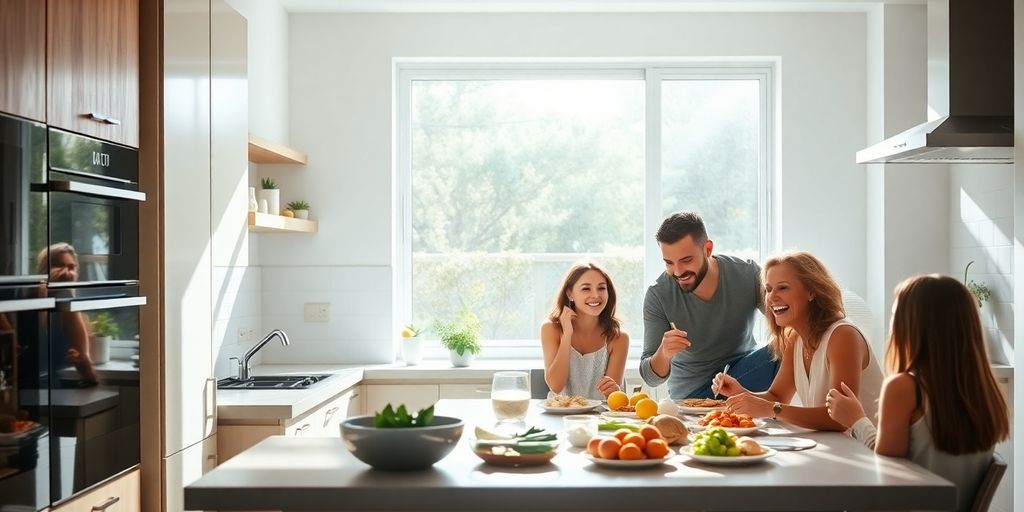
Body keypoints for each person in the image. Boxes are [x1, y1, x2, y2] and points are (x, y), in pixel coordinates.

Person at [826, 275, 1009, 512]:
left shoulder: (904, 388)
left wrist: (857, 419)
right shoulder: (986, 391)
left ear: (910, 325)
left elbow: (887, 471)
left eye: (894, 315)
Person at [711, 251, 883, 430]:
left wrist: (771, 409)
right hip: (836, 446)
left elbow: (840, 418)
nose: (772, 297)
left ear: (811, 291)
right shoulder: (795, 339)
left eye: (783, 287)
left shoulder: (843, 336)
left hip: (868, 450)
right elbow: (777, 397)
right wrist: (741, 393)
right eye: (768, 289)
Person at [640, 211, 779, 399]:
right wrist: (663, 353)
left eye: (686, 260)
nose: (678, 271)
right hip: (694, 395)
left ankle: (784, 413)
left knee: (790, 342)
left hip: (743, 379)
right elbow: (650, 378)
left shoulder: (747, 274)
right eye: (669, 263)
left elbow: (787, 319)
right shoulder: (658, 294)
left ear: (707, 249)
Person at [540, 262, 628, 400]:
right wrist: (567, 334)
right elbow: (556, 386)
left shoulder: (619, 337)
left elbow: (611, 397)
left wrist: (615, 390)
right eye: (586, 289)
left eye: (601, 288)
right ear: (570, 293)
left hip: (601, 418)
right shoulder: (550, 328)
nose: (596, 295)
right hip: (560, 417)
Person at [35, 243, 98, 386]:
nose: (66, 272)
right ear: (45, 269)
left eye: (71, 267)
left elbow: (90, 375)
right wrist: (42, 295)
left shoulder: (69, 307)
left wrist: (82, 362)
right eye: (59, 265)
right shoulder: (26, 299)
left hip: (56, 388)